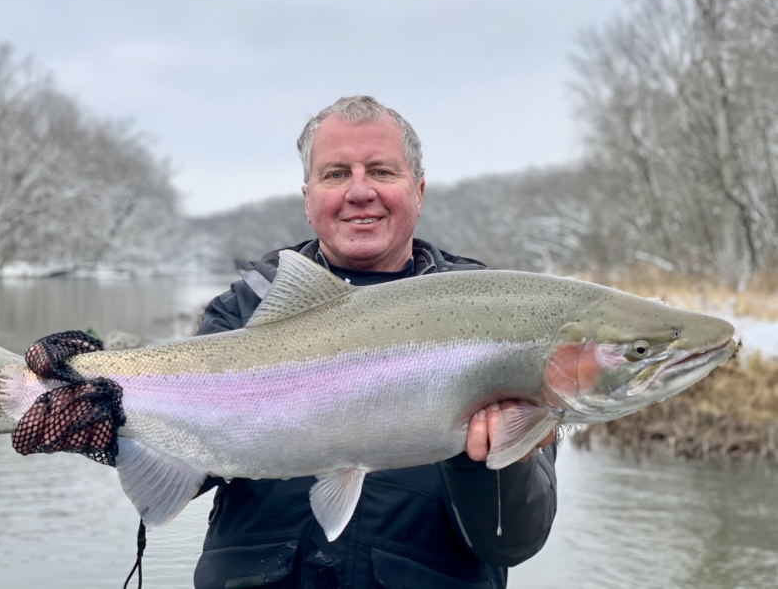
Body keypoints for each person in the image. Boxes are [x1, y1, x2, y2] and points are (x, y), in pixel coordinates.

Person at [193, 96, 557, 589]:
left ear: (419, 191)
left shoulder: (495, 315)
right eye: (336, 174)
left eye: (382, 172)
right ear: (307, 199)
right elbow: (183, 467)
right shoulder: (244, 310)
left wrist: (487, 463)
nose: (359, 191)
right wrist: (107, 421)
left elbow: (513, 541)